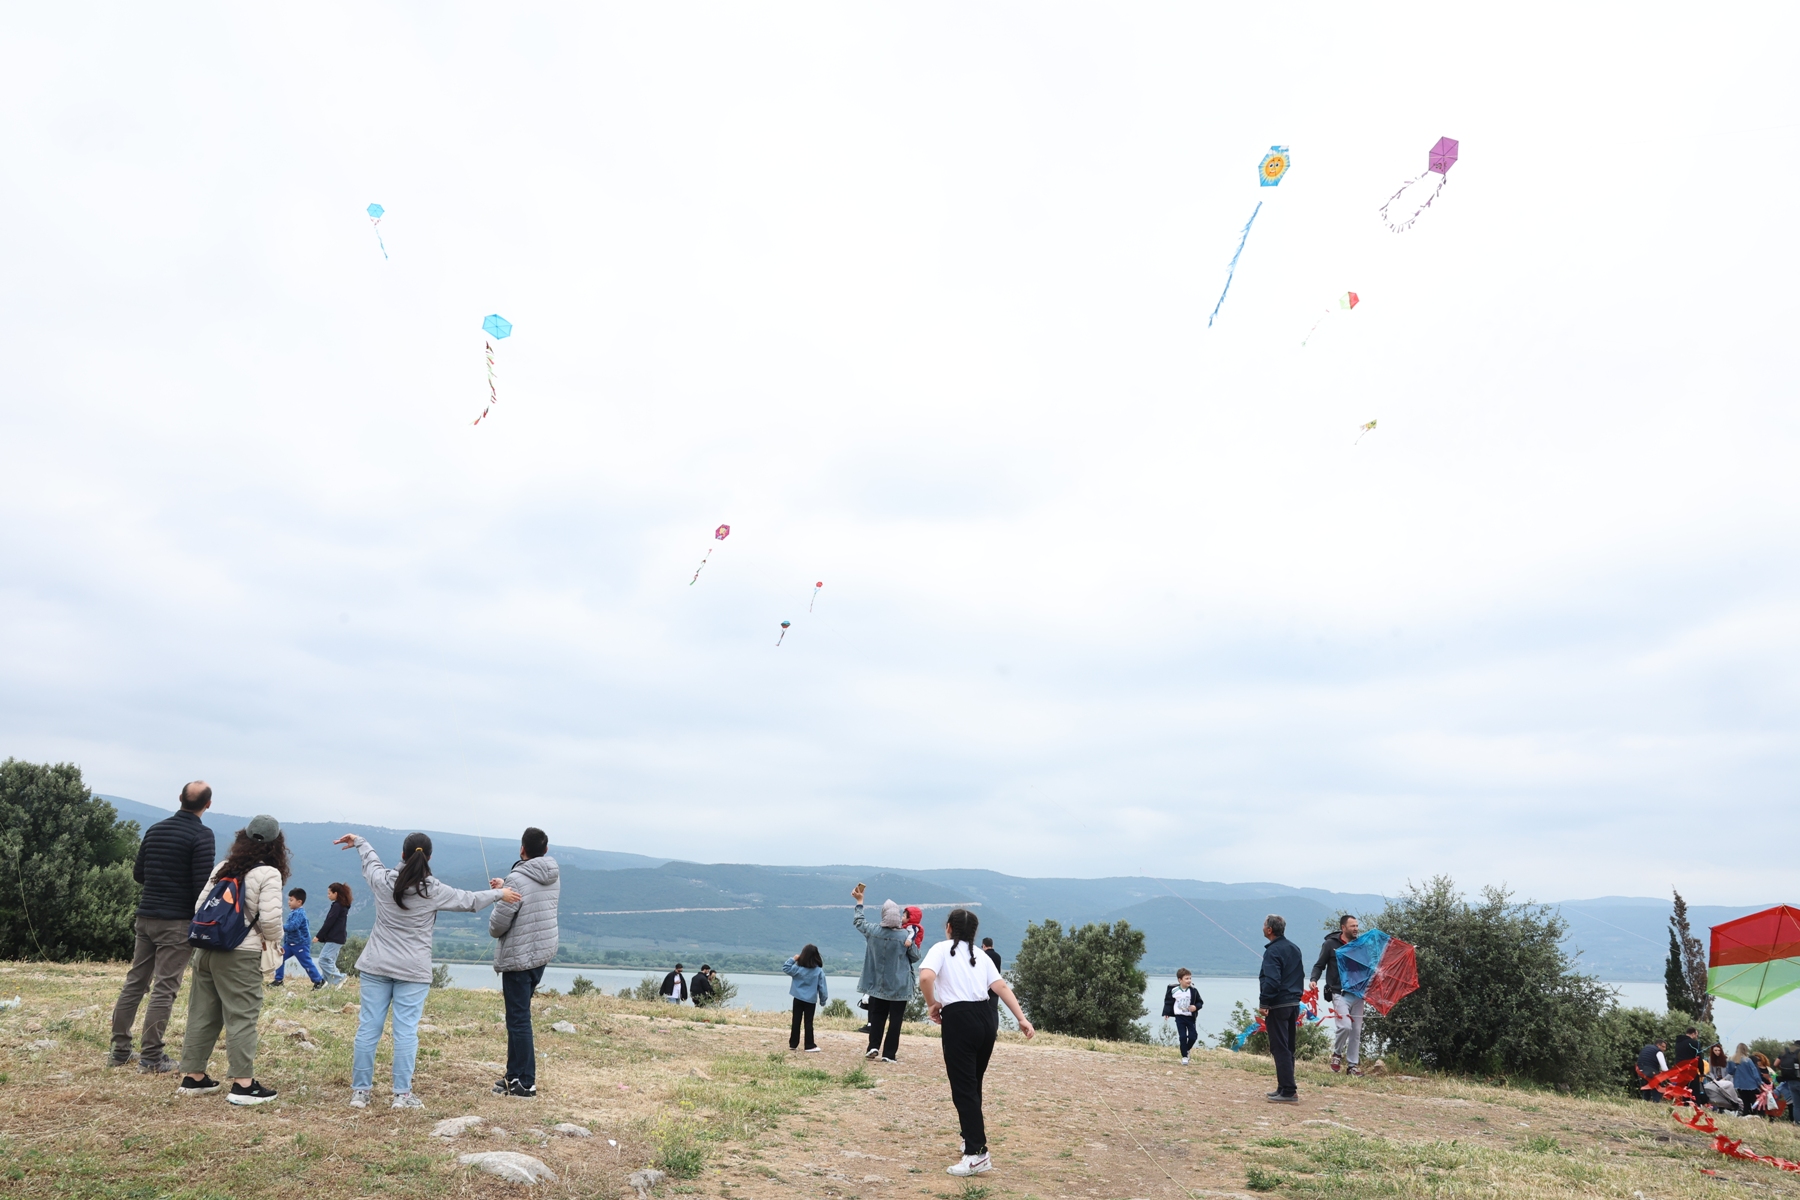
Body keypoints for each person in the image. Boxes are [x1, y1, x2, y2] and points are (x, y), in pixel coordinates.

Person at [334, 831, 518, 1110]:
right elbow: (469, 900)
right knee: (405, 1032)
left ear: (403, 855)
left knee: (368, 1028)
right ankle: (402, 1095)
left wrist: (360, 841)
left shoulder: (384, 881)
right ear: (429, 857)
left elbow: (370, 863)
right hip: (413, 969)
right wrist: (499, 894)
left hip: (376, 963)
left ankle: (360, 1093)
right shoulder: (434, 890)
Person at [176, 814, 287, 1105]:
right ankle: (243, 1085)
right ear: (276, 845)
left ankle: (194, 1076)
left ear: (242, 838)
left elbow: (200, 907)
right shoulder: (269, 874)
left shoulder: (223, 868)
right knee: (242, 1015)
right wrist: (273, 941)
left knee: (202, 1012)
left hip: (206, 949)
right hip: (240, 954)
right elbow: (273, 919)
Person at [918, 907, 1035, 1178]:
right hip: (986, 1018)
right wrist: (1022, 1019)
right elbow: (1001, 987)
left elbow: (926, 977)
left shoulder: (941, 948)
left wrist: (932, 1004)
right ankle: (969, 1137)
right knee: (973, 1081)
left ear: (949, 927)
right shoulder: (981, 955)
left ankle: (977, 1153)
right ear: (974, 933)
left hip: (960, 1018)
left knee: (963, 1087)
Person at [110, 781, 216, 1073]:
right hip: (177, 921)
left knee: (135, 982)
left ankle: (120, 1050)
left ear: (180, 798)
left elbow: (138, 874)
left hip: (146, 916)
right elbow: (202, 887)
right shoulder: (202, 835)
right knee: (164, 988)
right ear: (208, 804)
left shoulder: (155, 829)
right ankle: (152, 1057)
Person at [488, 826, 560, 1099]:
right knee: (518, 1016)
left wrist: (502, 893)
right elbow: (529, 898)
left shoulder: (517, 878)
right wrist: (502, 889)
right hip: (540, 955)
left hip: (519, 957)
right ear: (546, 850)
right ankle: (513, 1075)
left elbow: (497, 926)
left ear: (522, 849)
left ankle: (526, 1082)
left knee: (518, 1019)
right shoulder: (552, 875)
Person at [853, 884, 922, 1063]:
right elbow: (915, 957)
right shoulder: (904, 936)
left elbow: (859, 922)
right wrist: (911, 941)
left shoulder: (873, 931)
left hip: (878, 984)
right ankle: (889, 1054)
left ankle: (873, 1046)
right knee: (896, 1020)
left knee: (877, 1016)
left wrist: (860, 902)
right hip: (899, 986)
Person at [1310, 914, 1365, 1076]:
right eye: (1352, 926)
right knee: (1345, 1026)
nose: (1356, 929)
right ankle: (1337, 1053)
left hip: (1358, 993)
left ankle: (1352, 1066)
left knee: (1356, 1031)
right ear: (1343, 928)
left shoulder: (1360, 945)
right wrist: (1314, 979)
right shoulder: (1330, 944)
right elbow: (1319, 965)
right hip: (1338, 992)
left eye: (1356, 926)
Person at [1258, 914, 1304, 1104]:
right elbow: (1299, 975)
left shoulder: (1272, 951)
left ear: (1269, 930)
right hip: (1293, 1003)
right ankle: (1284, 1086)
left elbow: (1272, 980)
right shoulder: (1294, 948)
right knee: (1288, 1046)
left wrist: (1264, 1003)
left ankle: (1289, 1091)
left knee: (1280, 1047)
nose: (1262, 927)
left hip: (1278, 1004)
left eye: (1263, 925)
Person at [272, 888, 325, 989]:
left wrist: (279, 927)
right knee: (279, 958)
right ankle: (278, 980)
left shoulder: (299, 913)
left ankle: (319, 981)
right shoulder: (294, 912)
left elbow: (293, 926)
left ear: (299, 902)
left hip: (300, 944)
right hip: (290, 944)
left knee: (306, 963)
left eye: (291, 900)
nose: (288, 902)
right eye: (289, 900)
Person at [783, 944, 829, 1051]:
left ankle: (793, 1044)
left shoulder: (797, 969)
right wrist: (823, 1001)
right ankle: (809, 1044)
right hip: (810, 1000)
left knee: (796, 1021)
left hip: (797, 998)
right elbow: (823, 988)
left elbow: (785, 968)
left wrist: (793, 959)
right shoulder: (818, 971)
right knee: (808, 1022)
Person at [314, 883, 352, 987]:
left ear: (336, 893)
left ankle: (339, 978)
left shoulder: (337, 906)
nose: (328, 895)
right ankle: (327, 983)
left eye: (329, 893)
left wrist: (319, 936)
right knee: (329, 961)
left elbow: (329, 922)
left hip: (334, 938)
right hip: (338, 938)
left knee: (323, 960)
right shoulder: (342, 906)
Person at [1161, 969, 1202, 1065]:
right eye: (1186, 978)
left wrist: (1195, 1007)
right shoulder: (1174, 990)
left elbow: (1200, 1002)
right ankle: (1184, 1057)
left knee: (1193, 1037)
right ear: (1180, 980)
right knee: (1182, 1037)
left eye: (1190, 978)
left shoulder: (1193, 991)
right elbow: (1168, 1002)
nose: (1189, 980)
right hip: (1179, 1017)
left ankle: (1187, 1049)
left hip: (1190, 1017)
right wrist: (1167, 1013)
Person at [1703, 1043, 1739, 1111]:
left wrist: (1724, 1079)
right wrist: (1713, 1079)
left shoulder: (1726, 1059)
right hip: (1716, 1079)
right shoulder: (1711, 1059)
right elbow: (1711, 1071)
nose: (1717, 1052)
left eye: (1719, 1050)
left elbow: (1730, 1073)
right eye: (1715, 1050)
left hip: (1726, 1079)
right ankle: (1719, 1107)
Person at [1730, 1044, 1764, 1116]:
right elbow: (1755, 1073)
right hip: (1751, 1084)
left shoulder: (1732, 1060)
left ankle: (1746, 1116)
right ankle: (1756, 1116)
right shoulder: (1748, 1060)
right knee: (1754, 1102)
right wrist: (1760, 1084)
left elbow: (1730, 1071)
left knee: (1745, 1102)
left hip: (1739, 1085)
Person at [1774, 1040, 1800, 1123]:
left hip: (1790, 1081)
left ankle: (1797, 1122)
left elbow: (1775, 1064)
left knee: (1796, 1105)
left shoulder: (1785, 1051)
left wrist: (1784, 1070)